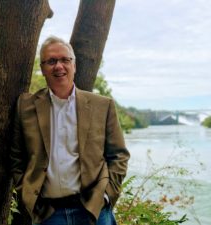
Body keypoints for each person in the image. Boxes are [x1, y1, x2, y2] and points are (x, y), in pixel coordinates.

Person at [10, 36, 130, 225]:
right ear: (42, 69)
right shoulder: (25, 106)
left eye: (65, 60)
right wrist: (26, 194)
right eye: (51, 61)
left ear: (74, 65)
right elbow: (17, 157)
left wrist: (106, 195)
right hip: (48, 215)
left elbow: (119, 156)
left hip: (94, 211)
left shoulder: (102, 106)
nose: (59, 66)